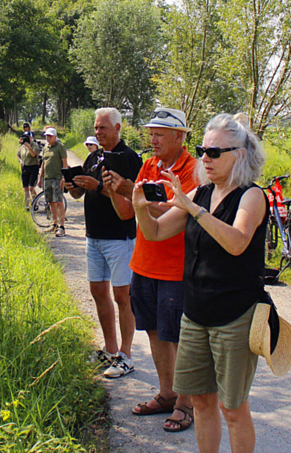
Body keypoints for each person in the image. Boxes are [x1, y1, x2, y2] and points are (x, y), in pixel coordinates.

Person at [131, 112, 268, 453]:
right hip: (195, 315)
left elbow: (237, 242)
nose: (204, 158)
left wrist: (192, 208)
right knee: (202, 402)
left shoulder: (251, 196)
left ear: (241, 154)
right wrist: (140, 208)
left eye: (214, 152)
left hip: (235, 316)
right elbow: (157, 232)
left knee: (233, 408)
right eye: (201, 149)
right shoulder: (202, 193)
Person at [105, 107, 197, 432]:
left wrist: (144, 197)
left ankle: (187, 404)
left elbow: (182, 212)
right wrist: (117, 191)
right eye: (151, 132)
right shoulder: (149, 165)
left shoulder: (192, 171)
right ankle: (168, 393)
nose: (153, 139)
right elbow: (129, 213)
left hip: (176, 269)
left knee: (181, 337)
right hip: (143, 264)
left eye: (160, 133)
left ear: (179, 136)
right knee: (156, 332)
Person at [68, 107, 143, 378]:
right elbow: (81, 194)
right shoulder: (94, 156)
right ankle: (110, 350)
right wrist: (75, 186)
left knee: (122, 296)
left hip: (119, 237)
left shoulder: (128, 158)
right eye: (96, 128)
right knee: (98, 292)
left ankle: (126, 354)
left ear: (117, 128)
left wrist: (97, 186)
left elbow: (135, 198)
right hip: (94, 236)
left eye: (103, 128)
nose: (98, 132)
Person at [37, 127, 69, 235]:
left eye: (50, 136)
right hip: (47, 178)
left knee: (59, 202)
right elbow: (43, 163)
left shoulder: (60, 147)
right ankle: (54, 224)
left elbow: (65, 163)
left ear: (55, 136)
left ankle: (62, 226)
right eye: (47, 136)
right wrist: (41, 178)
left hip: (57, 178)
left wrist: (64, 178)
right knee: (51, 201)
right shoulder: (45, 148)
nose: (48, 138)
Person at [17, 132, 40, 209]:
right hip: (25, 168)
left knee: (31, 187)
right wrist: (20, 161)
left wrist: (29, 147)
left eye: (27, 137)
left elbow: (34, 155)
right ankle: (27, 205)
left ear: (31, 138)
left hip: (33, 167)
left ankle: (35, 203)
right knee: (26, 188)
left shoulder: (35, 145)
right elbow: (18, 154)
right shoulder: (22, 146)